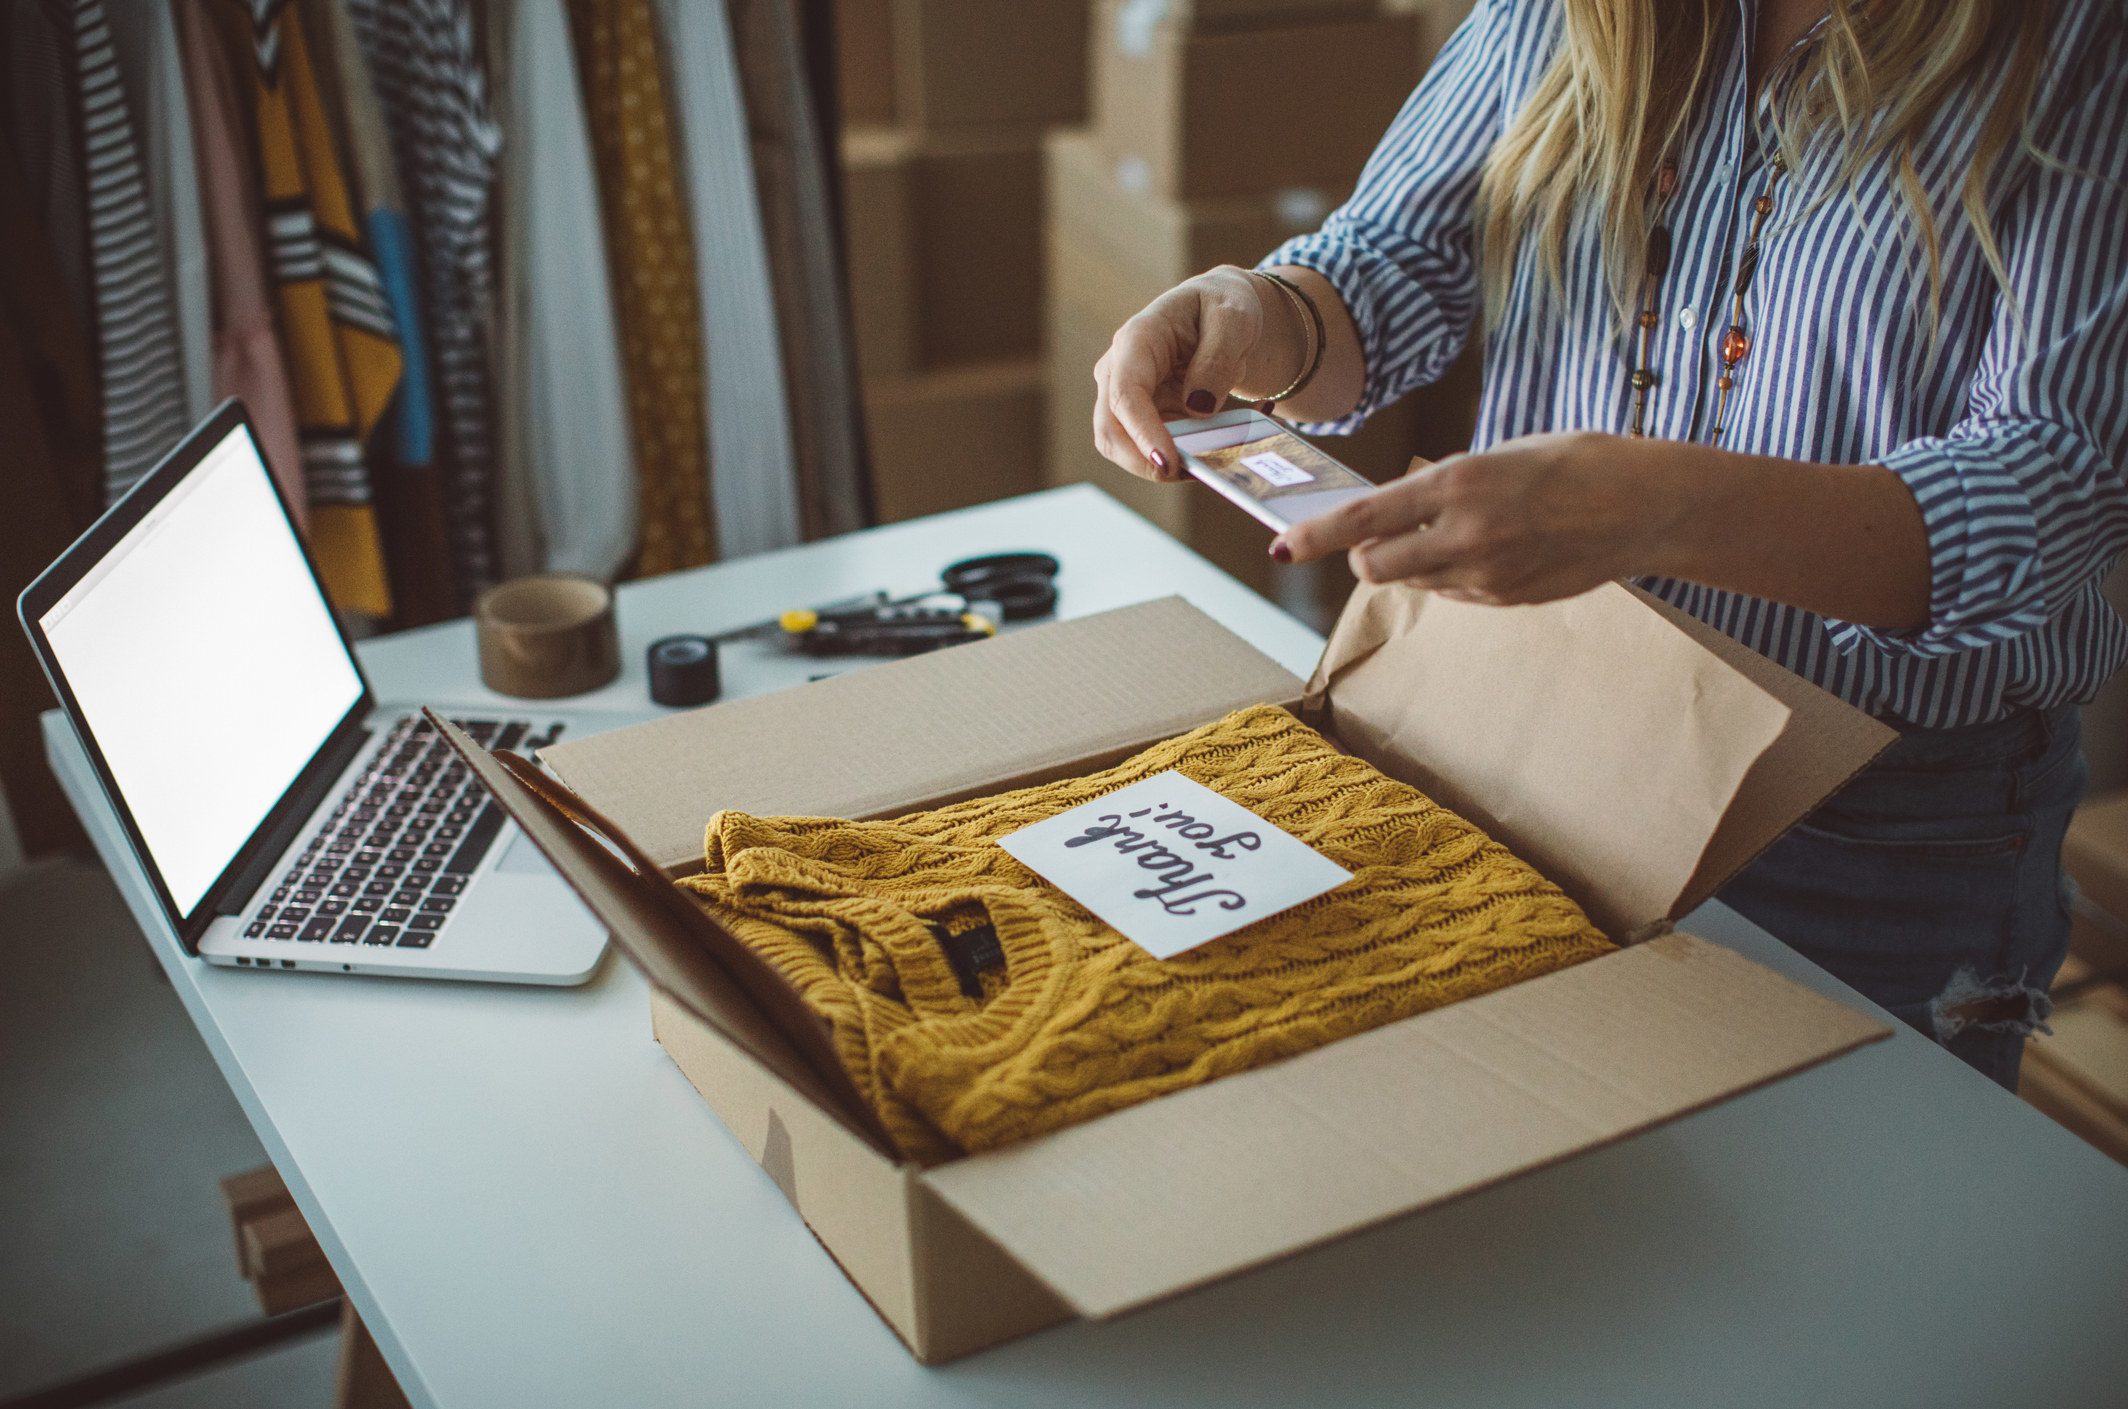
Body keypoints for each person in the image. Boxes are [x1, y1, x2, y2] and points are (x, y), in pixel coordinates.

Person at [1088, 0, 2128, 1089]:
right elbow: (1393, 260)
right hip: (1539, 739)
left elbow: (2046, 490)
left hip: (1870, 835)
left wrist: (1654, 507)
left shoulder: (2073, 42)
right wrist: (1257, 314)